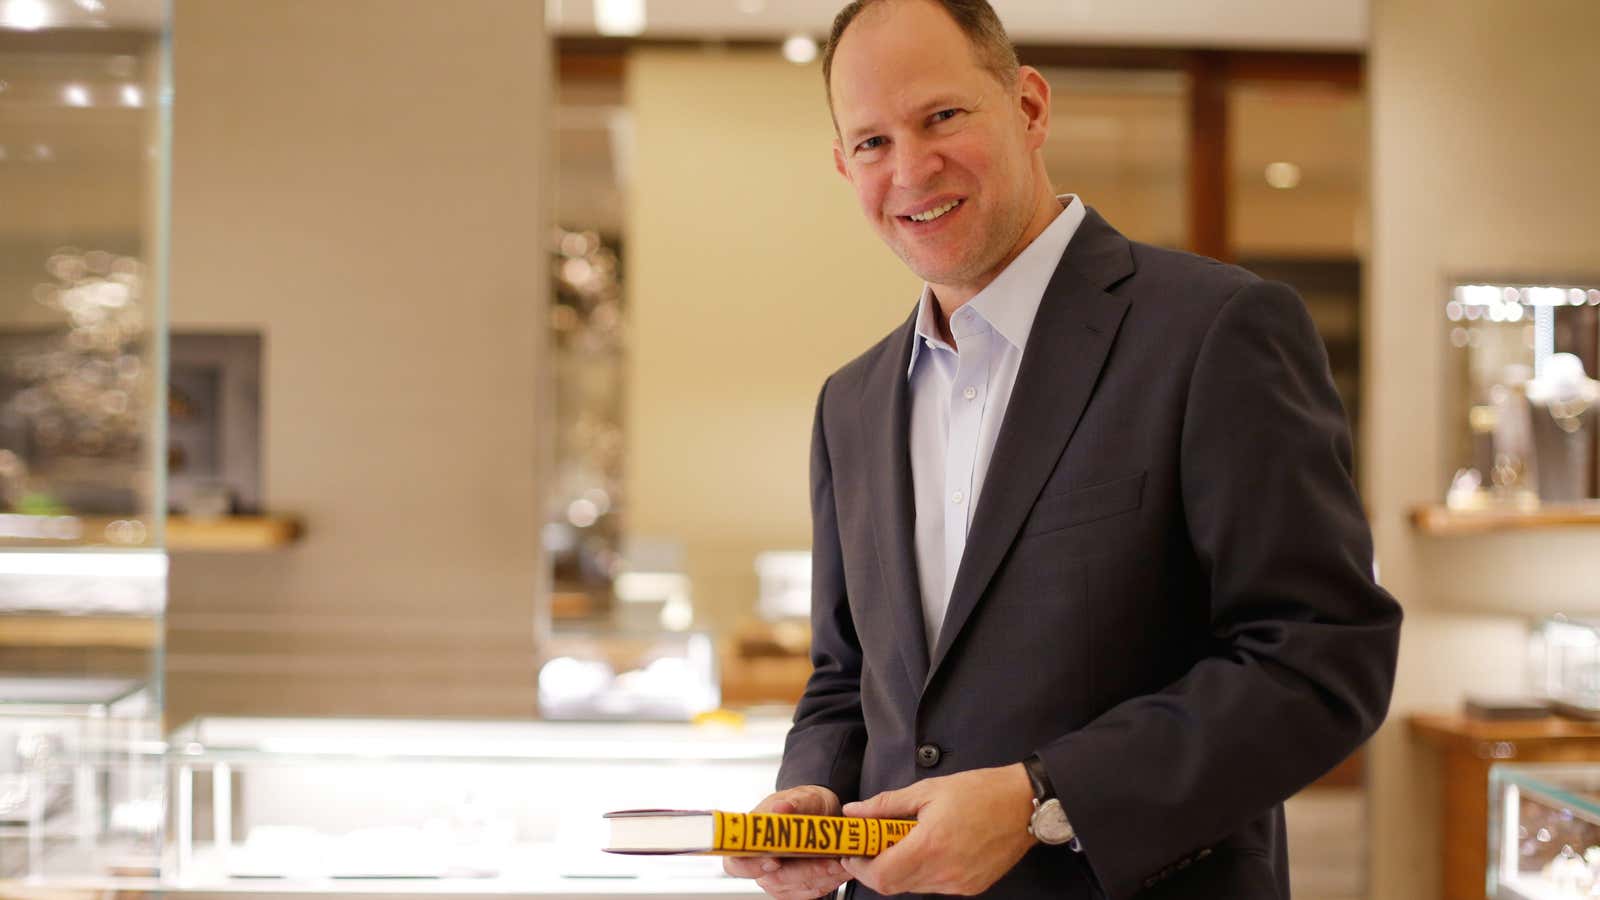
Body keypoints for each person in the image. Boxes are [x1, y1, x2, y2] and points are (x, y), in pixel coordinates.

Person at [723, 1, 1402, 897]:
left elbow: (1321, 658)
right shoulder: (849, 403)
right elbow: (847, 680)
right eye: (873, 142)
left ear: (1031, 107)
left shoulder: (1215, 332)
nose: (912, 168)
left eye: (943, 117)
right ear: (844, 164)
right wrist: (811, 792)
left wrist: (1042, 799)